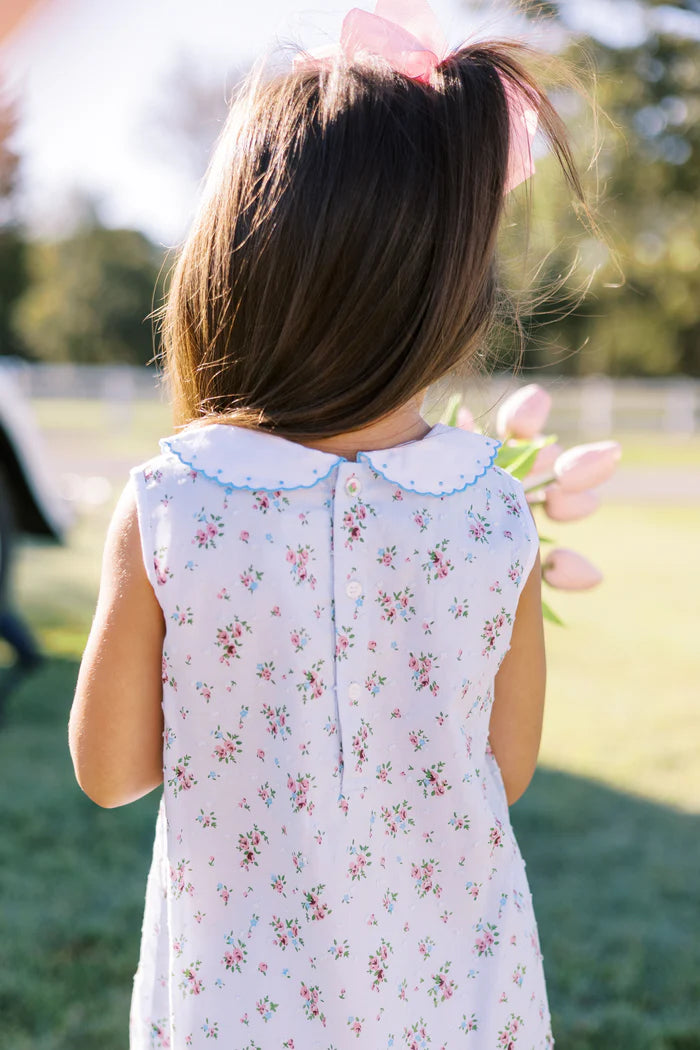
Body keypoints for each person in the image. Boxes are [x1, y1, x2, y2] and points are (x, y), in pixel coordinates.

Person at [69, 2, 590, 1046]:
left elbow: (111, 769)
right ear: (453, 289)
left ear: (233, 263)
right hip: (457, 1000)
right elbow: (507, 767)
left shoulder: (175, 501)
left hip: (238, 1005)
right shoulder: (490, 506)